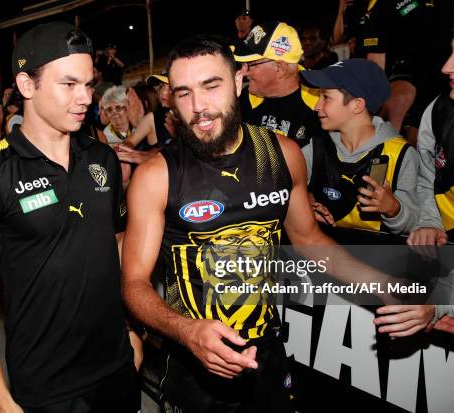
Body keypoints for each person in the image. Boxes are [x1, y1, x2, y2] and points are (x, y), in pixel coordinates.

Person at [121, 34, 395, 413]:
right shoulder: (157, 176)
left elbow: (309, 240)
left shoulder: (282, 154)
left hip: (268, 354)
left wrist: (386, 284)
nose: (198, 106)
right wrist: (187, 332)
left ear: (237, 83)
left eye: (211, 86)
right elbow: (134, 284)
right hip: (192, 364)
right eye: (183, 93)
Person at [0, 22, 140, 412]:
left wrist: (134, 330)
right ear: (26, 85)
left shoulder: (102, 158)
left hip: (117, 364)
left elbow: (118, 246)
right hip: (46, 383)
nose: (85, 98)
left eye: (89, 84)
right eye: (69, 84)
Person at [375, 35, 454, 336]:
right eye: (450, 52)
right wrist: (431, 223)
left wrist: (440, 308)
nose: (447, 67)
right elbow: (428, 179)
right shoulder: (437, 111)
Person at [300, 59, 419, 234]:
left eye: (326, 97)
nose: (317, 106)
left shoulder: (400, 154)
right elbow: (283, 190)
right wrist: (304, 202)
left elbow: (417, 223)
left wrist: (394, 209)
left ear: (357, 105)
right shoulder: (315, 147)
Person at [356, 0, 453, 143]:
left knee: (424, 133)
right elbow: (375, 64)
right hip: (407, 69)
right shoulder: (382, 7)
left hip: (445, 70)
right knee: (400, 98)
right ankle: (382, 150)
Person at [232, 21, 326, 148]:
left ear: (279, 68)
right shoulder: (246, 98)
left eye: (250, 64)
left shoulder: (319, 107)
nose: (242, 72)